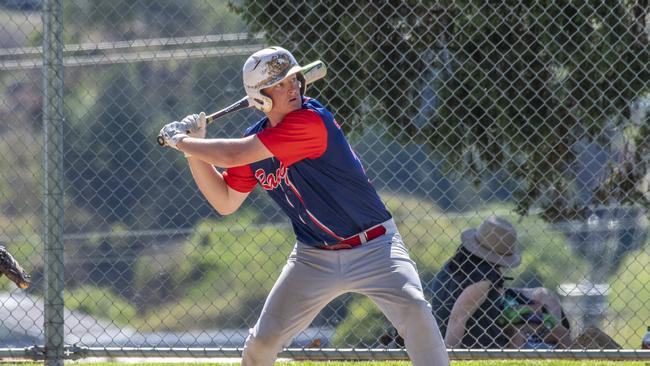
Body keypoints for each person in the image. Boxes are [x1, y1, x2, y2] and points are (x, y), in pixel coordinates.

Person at [158, 46, 449, 366]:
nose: (293, 87)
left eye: (294, 79)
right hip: (314, 256)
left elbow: (233, 155)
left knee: (415, 310)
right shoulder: (256, 140)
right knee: (262, 342)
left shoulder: (311, 121)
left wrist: (183, 141)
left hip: (374, 246)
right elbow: (225, 201)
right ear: (261, 97)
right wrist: (192, 152)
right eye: (280, 84)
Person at [428, 215, 572, 349]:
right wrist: (449, 355)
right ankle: (566, 351)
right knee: (552, 338)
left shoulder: (453, 265)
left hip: (445, 335)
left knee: (544, 296)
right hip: (481, 346)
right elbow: (458, 317)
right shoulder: (484, 277)